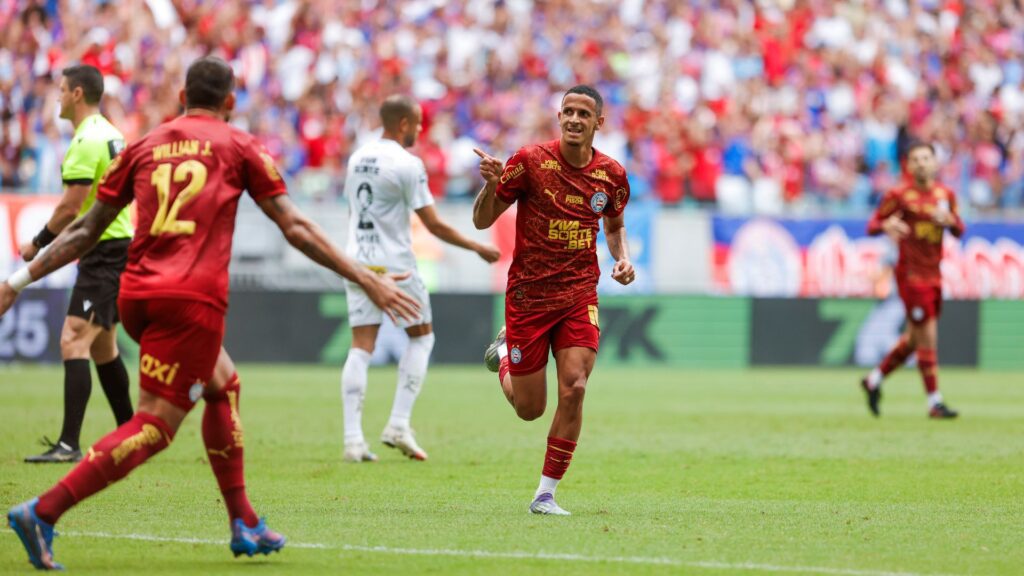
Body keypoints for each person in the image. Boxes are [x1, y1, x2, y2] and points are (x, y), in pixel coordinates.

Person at [1, 56, 420, 571]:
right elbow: (295, 228)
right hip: (190, 300)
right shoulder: (238, 145)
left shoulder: (145, 144)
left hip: (136, 295)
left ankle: (244, 520)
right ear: (230, 102)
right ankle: (42, 512)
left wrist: (16, 281)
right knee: (154, 424)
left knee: (223, 383)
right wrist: (366, 277)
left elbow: (86, 230)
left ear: (181, 96)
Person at [472, 85, 635, 515]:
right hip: (528, 296)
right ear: (558, 117)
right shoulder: (529, 162)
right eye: (568, 111)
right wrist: (490, 186)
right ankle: (505, 352)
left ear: (599, 122)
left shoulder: (612, 176)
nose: (574, 119)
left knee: (576, 387)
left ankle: (545, 494)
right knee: (530, 409)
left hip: (579, 293)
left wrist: (623, 259)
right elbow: (481, 220)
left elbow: (615, 227)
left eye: (584, 113)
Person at [340, 95, 500, 463]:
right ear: (403, 124)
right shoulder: (407, 164)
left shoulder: (357, 158)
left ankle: (352, 440)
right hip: (395, 267)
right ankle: (398, 423)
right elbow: (433, 224)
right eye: (417, 124)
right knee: (422, 338)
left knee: (360, 348)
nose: (420, 130)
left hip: (358, 264)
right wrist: (475, 246)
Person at [20, 64, 135, 464]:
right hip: (115, 245)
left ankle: (69, 444)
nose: (57, 96)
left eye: (61, 90)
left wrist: (38, 243)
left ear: (77, 94)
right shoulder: (112, 133)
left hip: (103, 251)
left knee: (73, 338)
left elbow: (70, 207)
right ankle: (131, 432)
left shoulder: (86, 141)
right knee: (102, 346)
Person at [861, 141, 962, 419]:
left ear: (935, 162)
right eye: (915, 159)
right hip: (910, 276)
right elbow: (871, 225)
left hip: (934, 275)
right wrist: (886, 225)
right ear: (908, 164)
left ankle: (874, 380)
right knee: (928, 336)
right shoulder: (899, 194)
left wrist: (950, 221)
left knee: (915, 339)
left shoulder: (946, 194)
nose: (921, 163)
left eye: (926, 158)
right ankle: (934, 402)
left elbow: (960, 229)